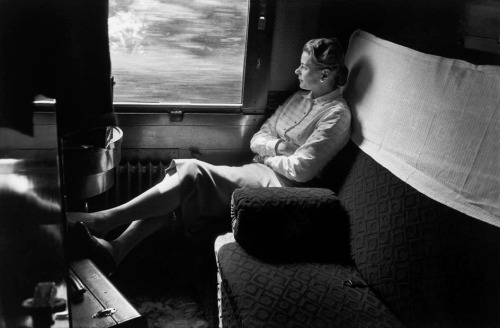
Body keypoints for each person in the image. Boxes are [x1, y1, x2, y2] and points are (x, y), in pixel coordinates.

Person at [68, 37, 352, 275]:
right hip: (263, 172)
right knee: (184, 181)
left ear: (325, 75)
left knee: (192, 171)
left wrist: (268, 156)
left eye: (304, 67)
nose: (296, 71)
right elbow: (259, 138)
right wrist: (279, 148)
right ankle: (114, 251)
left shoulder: (336, 115)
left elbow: (301, 170)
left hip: (286, 192)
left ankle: (105, 220)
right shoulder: (298, 98)